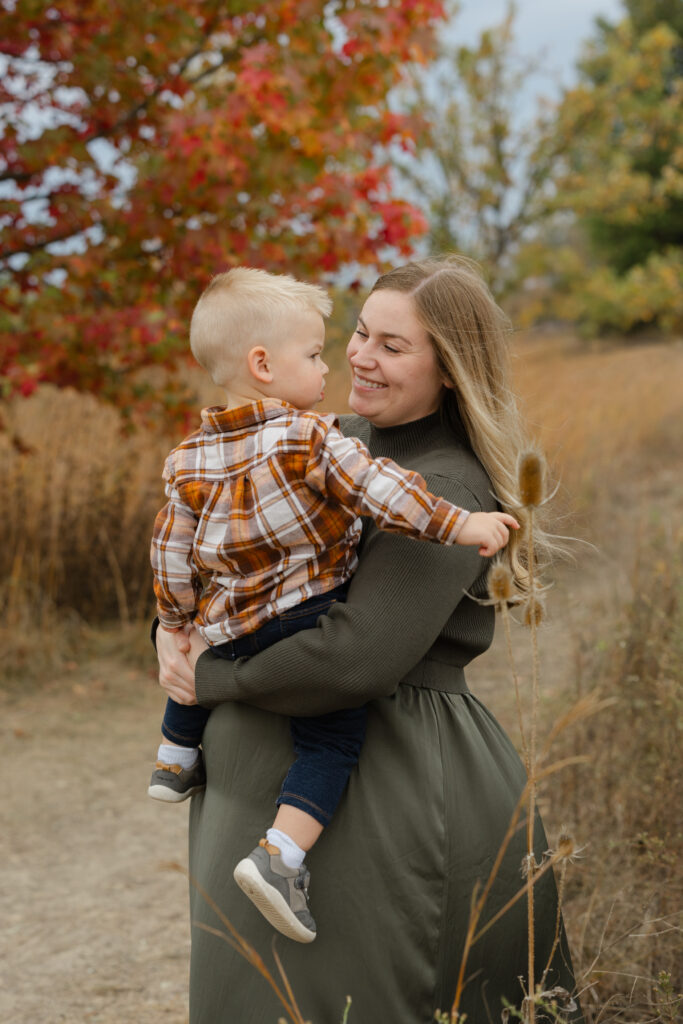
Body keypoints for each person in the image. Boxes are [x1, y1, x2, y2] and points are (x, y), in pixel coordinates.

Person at [155, 256, 582, 1024]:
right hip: (258, 777)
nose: (358, 356)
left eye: (392, 345)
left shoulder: (443, 485)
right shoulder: (318, 436)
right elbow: (211, 547)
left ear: (449, 368)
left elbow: (354, 658)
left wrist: (207, 675)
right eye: (359, 333)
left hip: (378, 783)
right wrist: (168, 628)